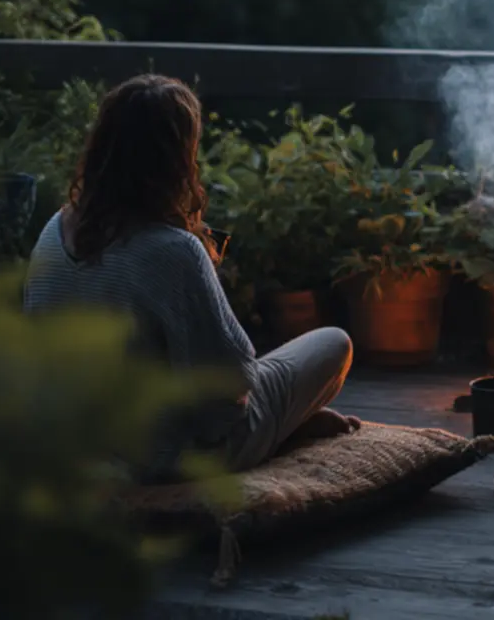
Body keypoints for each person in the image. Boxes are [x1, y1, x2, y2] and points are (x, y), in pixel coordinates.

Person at [23, 74, 360, 480]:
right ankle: (281, 431)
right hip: (173, 457)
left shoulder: (52, 232)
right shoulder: (172, 251)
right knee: (333, 343)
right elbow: (228, 395)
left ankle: (286, 425)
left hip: (83, 445)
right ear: (176, 158)